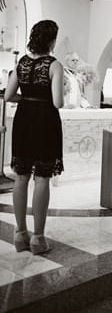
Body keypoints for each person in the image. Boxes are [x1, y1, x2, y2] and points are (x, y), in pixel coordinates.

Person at [4, 20, 64, 255]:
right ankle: (38, 238)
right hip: (45, 121)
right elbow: (58, 102)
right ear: (51, 40)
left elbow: (9, 96)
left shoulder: (22, 63)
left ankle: (20, 235)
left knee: (21, 176)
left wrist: (26, 100)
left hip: (23, 120)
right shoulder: (54, 65)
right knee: (41, 178)